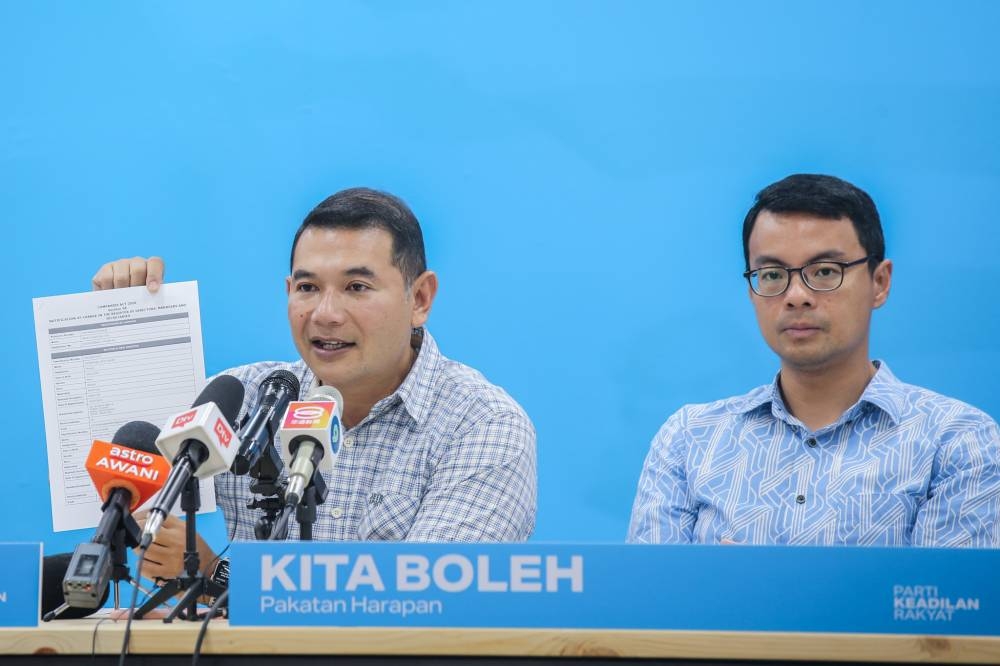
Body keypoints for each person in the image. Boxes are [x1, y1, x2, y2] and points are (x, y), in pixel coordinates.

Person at [93, 187, 536, 583]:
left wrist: (214, 575)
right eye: (307, 287)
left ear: (419, 299)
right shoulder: (240, 399)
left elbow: (422, 603)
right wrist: (122, 321)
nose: (326, 314)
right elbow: (125, 461)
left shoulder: (482, 426)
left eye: (356, 287)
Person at [628, 174, 999, 547]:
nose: (796, 295)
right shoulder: (690, 440)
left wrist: (749, 578)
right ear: (752, 290)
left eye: (824, 271)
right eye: (772, 274)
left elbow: (942, 587)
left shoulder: (957, 441)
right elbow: (653, 585)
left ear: (880, 282)